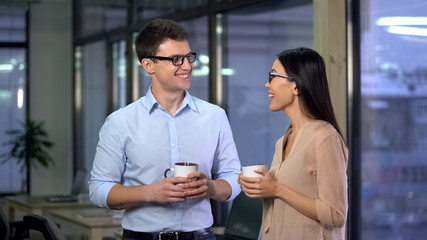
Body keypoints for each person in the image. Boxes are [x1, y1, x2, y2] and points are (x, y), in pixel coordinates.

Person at [89, 18, 241, 240]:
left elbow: (233, 176)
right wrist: (151, 192)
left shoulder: (214, 116)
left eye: (189, 57)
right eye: (176, 60)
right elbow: (98, 189)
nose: (187, 66)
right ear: (149, 65)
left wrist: (210, 188)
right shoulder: (120, 122)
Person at [238, 47, 348, 240]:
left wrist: (278, 189)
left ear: (295, 86)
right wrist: (257, 186)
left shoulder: (324, 136)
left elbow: (335, 214)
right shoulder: (283, 140)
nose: (266, 84)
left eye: (273, 76)